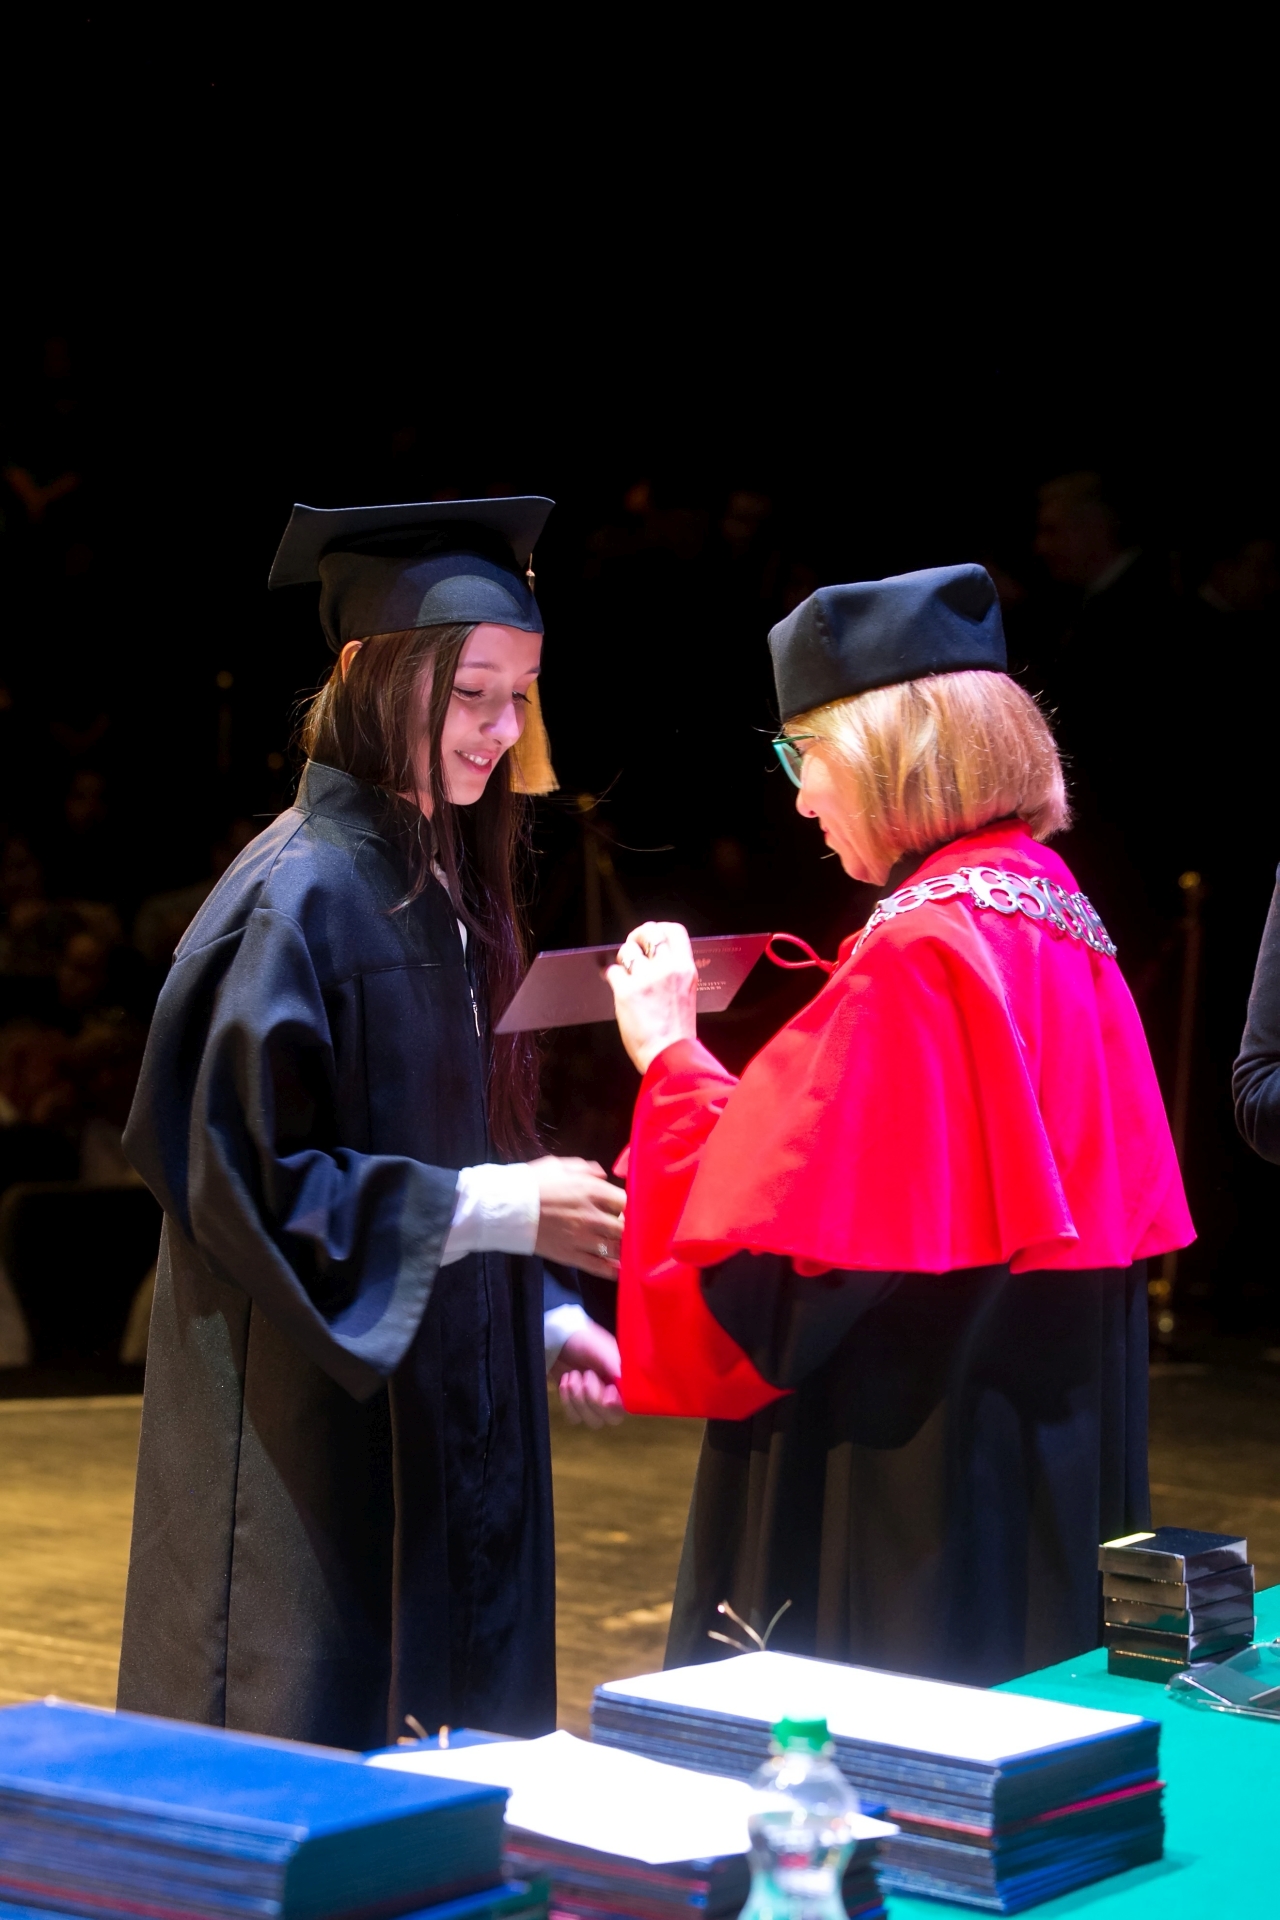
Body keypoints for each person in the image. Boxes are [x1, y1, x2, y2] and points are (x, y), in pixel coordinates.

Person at [607, 564, 1193, 1687]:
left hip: (909, 1467)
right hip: (1033, 1439)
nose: (798, 801)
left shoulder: (926, 945)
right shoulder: (1051, 905)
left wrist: (670, 1057)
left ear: (886, 753)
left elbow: (791, 1259)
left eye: (802, 756)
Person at [116, 496, 625, 1750]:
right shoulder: (294, 897)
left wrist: (539, 1311)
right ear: (368, 672)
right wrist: (502, 1209)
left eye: (521, 698)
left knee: (447, 1749)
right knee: (323, 1749)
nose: (502, 732)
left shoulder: (432, 877)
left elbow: (449, 1138)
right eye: (472, 695)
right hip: (304, 1432)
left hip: (443, 1396)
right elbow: (243, 1179)